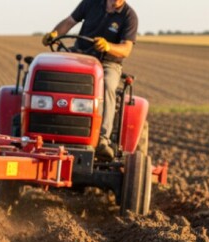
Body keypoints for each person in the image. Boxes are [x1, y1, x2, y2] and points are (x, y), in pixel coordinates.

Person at [42, 0, 138, 159]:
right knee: (53, 72)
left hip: (108, 63)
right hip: (80, 55)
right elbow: (69, 22)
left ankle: (103, 138)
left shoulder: (129, 16)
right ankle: (46, 128)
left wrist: (108, 46)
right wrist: (53, 34)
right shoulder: (91, 3)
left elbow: (126, 49)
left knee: (107, 84)